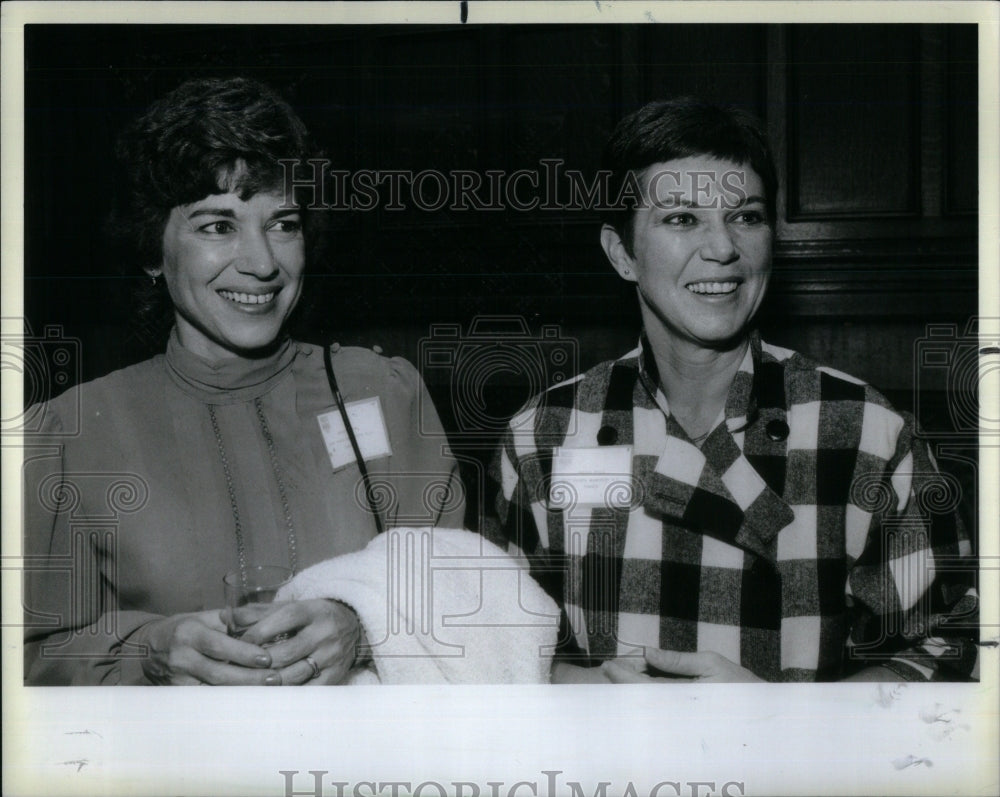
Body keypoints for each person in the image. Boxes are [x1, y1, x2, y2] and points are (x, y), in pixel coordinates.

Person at [486, 98, 978, 683]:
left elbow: (951, 645)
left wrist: (783, 726)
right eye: (681, 219)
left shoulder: (868, 432)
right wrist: (593, 694)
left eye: (746, 216)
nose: (723, 248)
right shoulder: (542, 432)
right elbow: (498, 645)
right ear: (622, 254)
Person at [22, 77, 465, 685]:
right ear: (152, 250)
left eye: (282, 223)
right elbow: (31, 659)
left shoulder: (383, 394)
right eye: (217, 226)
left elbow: (469, 596)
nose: (261, 263)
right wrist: (148, 652)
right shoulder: (70, 436)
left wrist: (365, 629)